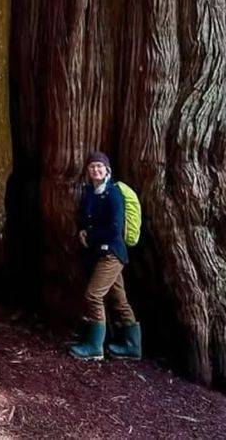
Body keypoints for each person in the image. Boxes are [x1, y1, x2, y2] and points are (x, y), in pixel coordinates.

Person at [69, 151, 141, 360]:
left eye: (99, 166)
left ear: (107, 169)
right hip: (99, 254)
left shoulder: (113, 194)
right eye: (92, 167)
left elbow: (115, 228)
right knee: (119, 299)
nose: (96, 170)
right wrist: (83, 231)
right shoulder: (90, 192)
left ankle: (94, 346)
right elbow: (86, 219)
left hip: (112, 254)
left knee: (93, 295)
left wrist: (89, 235)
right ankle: (132, 346)